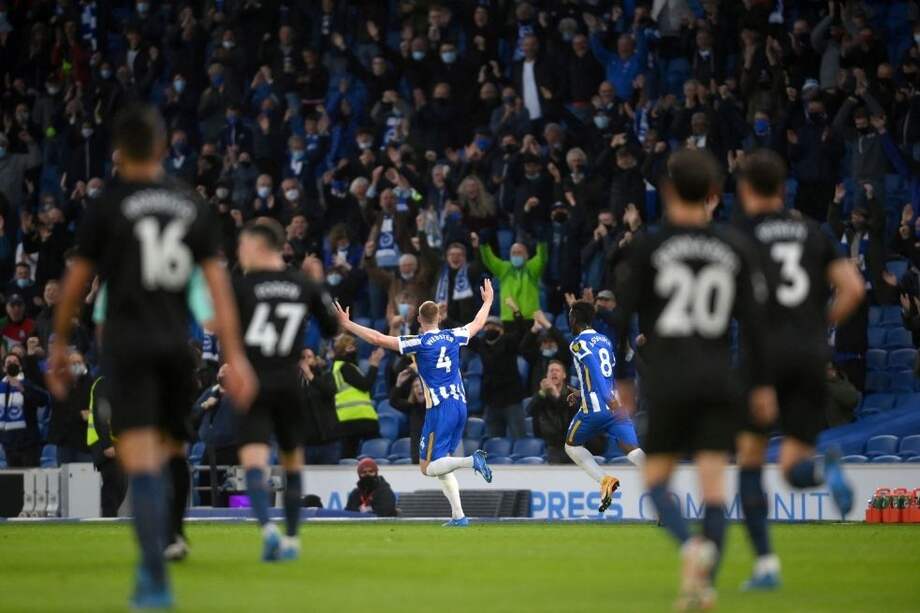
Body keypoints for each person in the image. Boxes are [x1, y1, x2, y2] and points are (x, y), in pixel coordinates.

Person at [46, 104, 258, 609]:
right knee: (174, 452)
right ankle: (173, 536)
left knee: (140, 461)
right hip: (172, 346)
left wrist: (59, 342)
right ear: (163, 148)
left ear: (119, 153)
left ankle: (153, 577)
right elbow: (217, 290)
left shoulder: (107, 204)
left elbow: (78, 279)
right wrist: (235, 355)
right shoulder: (191, 205)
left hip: (125, 346)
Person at [612, 149, 775, 609]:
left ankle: (689, 548)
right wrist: (761, 385)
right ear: (714, 196)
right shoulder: (733, 248)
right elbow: (757, 325)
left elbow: (621, 315)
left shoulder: (651, 247)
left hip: (668, 379)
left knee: (658, 482)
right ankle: (703, 583)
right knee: (714, 488)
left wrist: (624, 378)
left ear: (666, 191)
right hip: (719, 378)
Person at [733, 150, 865, 590]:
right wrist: (818, 326)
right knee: (792, 466)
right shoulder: (812, 232)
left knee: (750, 464)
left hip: (764, 354)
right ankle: (823, 471)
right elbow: (853, 288)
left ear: (747, 189)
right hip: (811, 356)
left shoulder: (742, 234)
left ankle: (767, 566)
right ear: (783, 187)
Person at [333, 280, 495, 527]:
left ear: (419, 320)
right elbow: (478, 324)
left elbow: (377, 338)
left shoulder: (417, 342)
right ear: (439, 316)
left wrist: (347, 324)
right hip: (460, 405)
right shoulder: (454, 335)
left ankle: (471, 461)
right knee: (442, 464)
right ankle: (459, 516)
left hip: (439, 409)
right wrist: (488, 302)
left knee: (427, 467)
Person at [233, 217, 339, 561]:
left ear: (259, 246)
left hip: (254, 381)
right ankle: (292, 540)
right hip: (290, 383)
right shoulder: (302, 284)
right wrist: (319, 285)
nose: (241, 253)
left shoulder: (242, 286)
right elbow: (331, 327)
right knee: (293, 463)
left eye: (243, 246)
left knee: (253, 461)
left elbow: (222, 330)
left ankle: (267, 529)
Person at [563, 300, 645, 513]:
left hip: (596, 407)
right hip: (615, 407)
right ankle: (662, 491)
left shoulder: (577, 343)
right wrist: (583, 393)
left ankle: (604, 480)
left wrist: (604, 396)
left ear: (574, 318)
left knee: (571, 445)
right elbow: (605, 373)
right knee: (633, 450)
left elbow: (593, 367)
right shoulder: (605, 340)